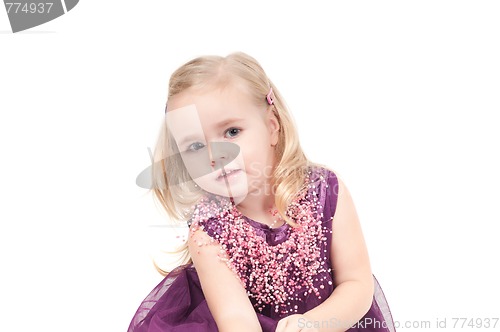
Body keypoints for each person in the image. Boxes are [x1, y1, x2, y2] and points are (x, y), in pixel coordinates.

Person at [129, 52, 395, 332]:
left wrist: (313, 325)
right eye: (195, 146)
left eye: (232, 132)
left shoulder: (325, 191)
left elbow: (357, 284)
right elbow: (236, 319)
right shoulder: (207, 231)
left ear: (272, 127)